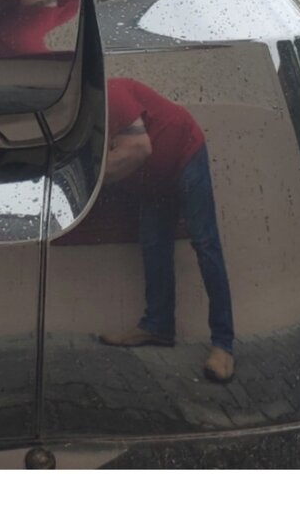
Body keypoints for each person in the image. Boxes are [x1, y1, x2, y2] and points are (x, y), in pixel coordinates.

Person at [98, 78, 236, 384]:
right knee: (153, 246)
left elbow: (138, 148)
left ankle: (223, 345)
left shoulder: (110, 92)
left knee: (205, 243)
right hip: (151, 179)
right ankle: (157, 326)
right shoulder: (82, 120)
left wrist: (89, 177)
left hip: (184, 153)